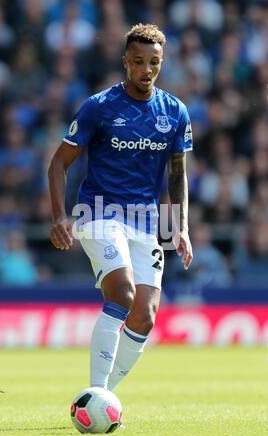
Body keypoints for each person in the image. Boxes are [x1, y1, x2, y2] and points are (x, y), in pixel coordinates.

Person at [48, 24, 193, 393]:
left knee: (145, 314)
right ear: (125, 61)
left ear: (162, 63)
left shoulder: (174, 112)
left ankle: (104, 399)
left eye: (154, 63)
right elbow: (58, 164)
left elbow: (177, 173)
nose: (147, 70)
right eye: (139, 62)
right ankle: (96, 391)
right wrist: (59, 216)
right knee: (123, 293)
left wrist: (181, 227)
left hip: (146, 221)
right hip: (98, 212)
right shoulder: (99, 107)